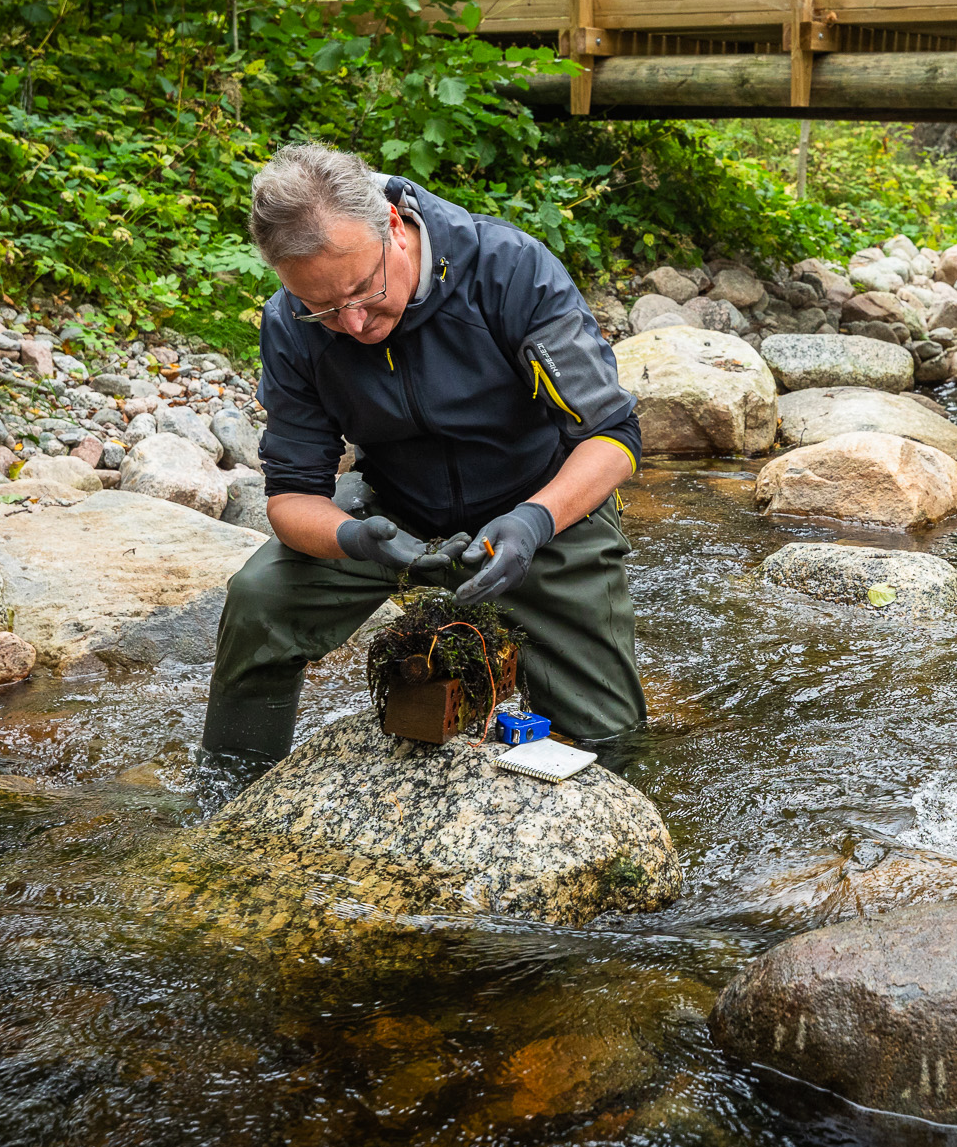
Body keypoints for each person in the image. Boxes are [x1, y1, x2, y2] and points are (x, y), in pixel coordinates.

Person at [198, 142, 647, 772]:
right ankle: (231, 790)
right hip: (395, 511)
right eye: (324, 308)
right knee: (259, 596)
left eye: (363, 289)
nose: (353, 323)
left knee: (608, 739)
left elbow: (612, 437)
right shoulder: (290, 324)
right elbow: (291, 498)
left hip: (541, 507)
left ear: (392, 226)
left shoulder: (507, 269)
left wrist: (532, 522)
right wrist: (356, 539)